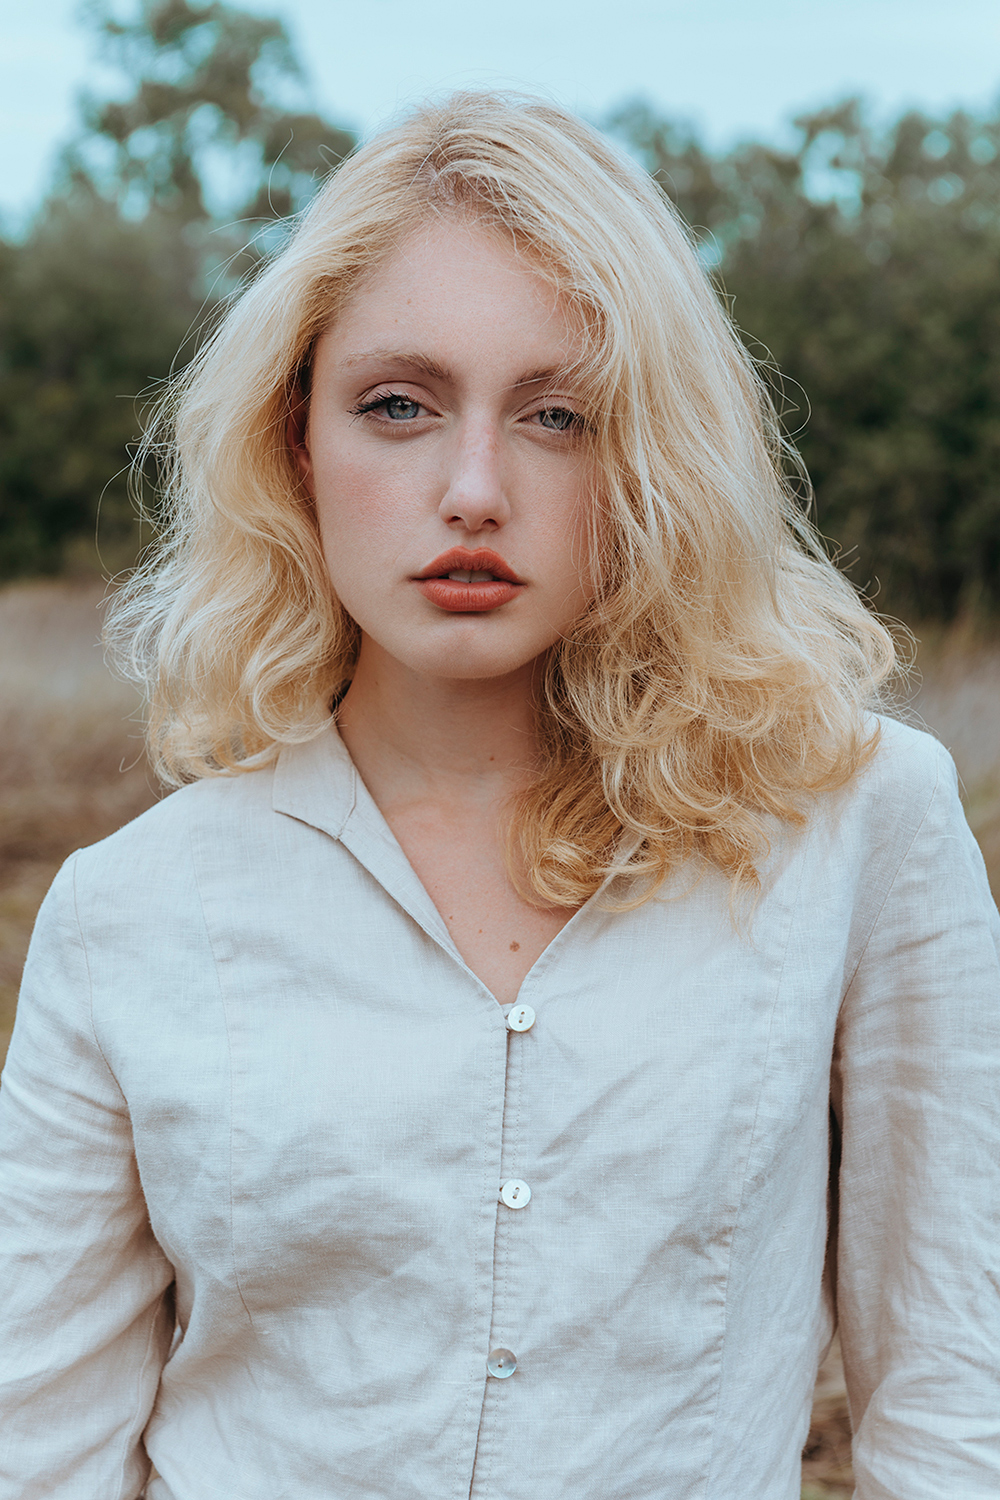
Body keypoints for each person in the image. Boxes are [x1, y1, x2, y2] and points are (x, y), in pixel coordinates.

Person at [0, 91, 998, 1500]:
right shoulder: (130, 911)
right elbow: (35, 1448)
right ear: (296, 442)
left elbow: (958, 1393)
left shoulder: (857, 824)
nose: (473, 489)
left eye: (558, 414)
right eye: (398, 406)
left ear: (649, 452)